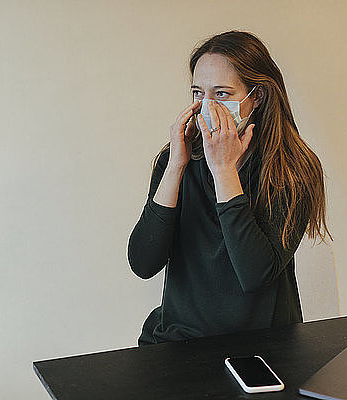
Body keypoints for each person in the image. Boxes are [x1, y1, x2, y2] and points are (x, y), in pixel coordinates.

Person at [127, 30, 332, 346]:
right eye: (198, 93)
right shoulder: (175, 160)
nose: (207, 106)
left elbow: (255, 275)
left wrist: (224, 170)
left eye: (221, 94)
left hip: (266, 346)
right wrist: (175, 168)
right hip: (178, 342)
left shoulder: (292, 170)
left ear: (257, 97)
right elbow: (143, 263)